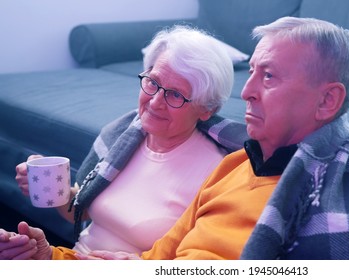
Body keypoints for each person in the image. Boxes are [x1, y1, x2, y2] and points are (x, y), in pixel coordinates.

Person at [2, 16, 349, 260]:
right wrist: (49, 259)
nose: (248, 90)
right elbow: (156, 261)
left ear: (328, 102)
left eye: (268, 76)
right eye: (250, 71)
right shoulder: (235, 167)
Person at [0, 25, 247, 260]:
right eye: (153, 82)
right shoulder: (121, 137)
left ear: (207, 109)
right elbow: (79, 212)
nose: (155, 102)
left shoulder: (217, 172)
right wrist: (53, 192)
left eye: (174, 94)